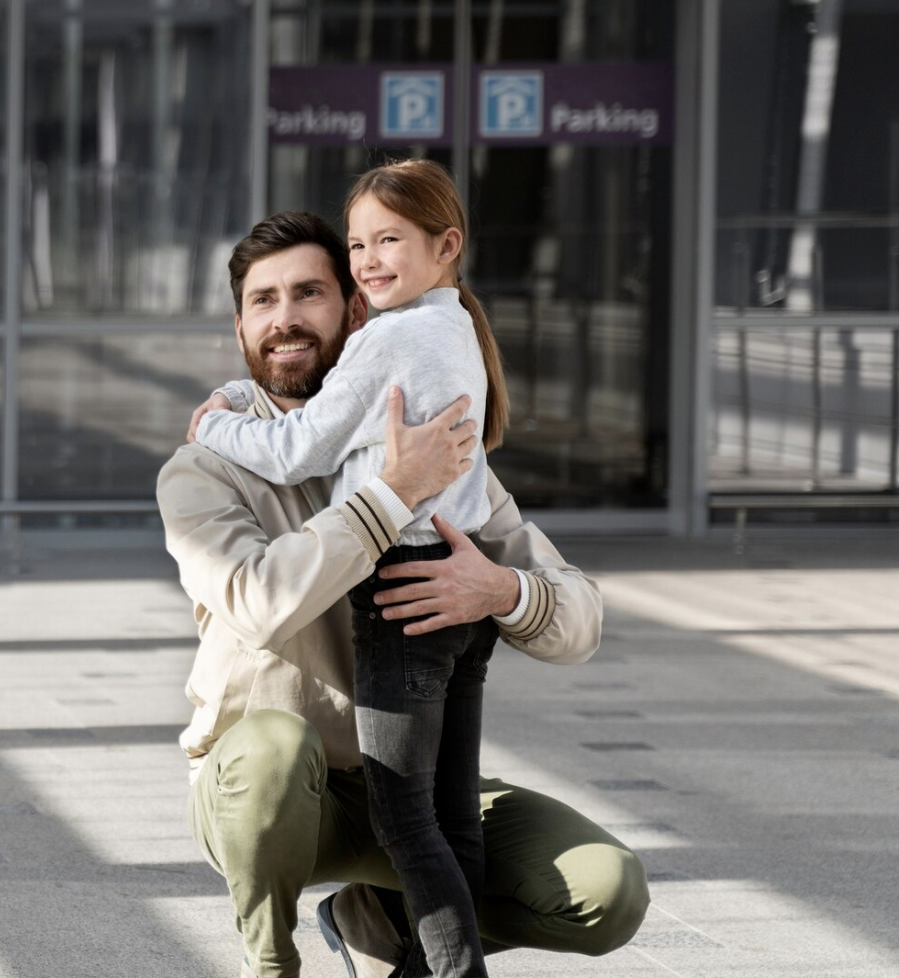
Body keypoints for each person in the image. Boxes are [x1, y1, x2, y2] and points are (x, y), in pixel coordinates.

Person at [161, 211, 648, 978]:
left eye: (309, 293)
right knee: (272, 750)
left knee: (605, 891)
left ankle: (385, 926)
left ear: (356, 309)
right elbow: (258, 604)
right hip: (277, 794)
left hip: (407, 780)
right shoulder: (206, 468)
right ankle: (271, 959)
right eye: (264, 301)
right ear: (240, 326)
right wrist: (390, 497)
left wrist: (500, 590)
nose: (285, 317)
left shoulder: (438, 448)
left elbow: (578, 618)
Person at [193, 162, 509, 977]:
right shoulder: (456, 331)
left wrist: (213, 426)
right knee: (451, 819)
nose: (371, 257)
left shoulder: (390, 336)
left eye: (388, 242)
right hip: (458, 593)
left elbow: (300, 443)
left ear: (447, 245)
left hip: (404, 588)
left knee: (406, 821)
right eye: (361, 241)